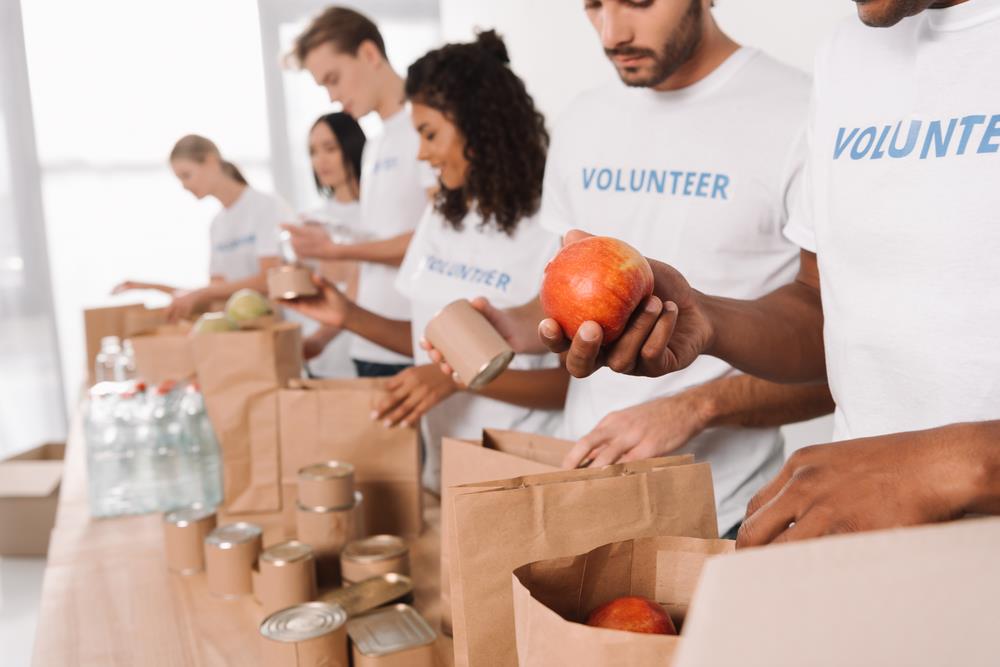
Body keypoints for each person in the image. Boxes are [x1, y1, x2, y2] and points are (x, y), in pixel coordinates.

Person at [535, 0, 1000, 545]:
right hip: (863, 548)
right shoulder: (848, 50)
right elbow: (817, 306)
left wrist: (943, 467)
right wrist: (706, 320)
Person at [423, 0, 833, 538]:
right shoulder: (583, 119)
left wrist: (696, 406)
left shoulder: (804, 112)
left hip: (727, 509)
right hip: (584, 489)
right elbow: (574, 295)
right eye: (594, 5)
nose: (612, 33)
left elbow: (840, 358)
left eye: (638, 2)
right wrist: (515, 326)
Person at [287, 31, 567, 490]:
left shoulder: (552, 227)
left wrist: (458, 378)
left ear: (480, 125)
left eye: (429, 133)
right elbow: (425, 343)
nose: (421, 153)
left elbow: (567, 387)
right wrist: (346, 315)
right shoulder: (442, 216)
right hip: (447, 470)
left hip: (523, 476)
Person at [283, 6, 436, 378]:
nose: (333, 97)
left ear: (369, 54)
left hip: (412, 342)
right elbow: (377, 245)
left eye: (334, 79)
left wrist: (335, 248)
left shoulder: (427, 131)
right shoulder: (375, 146)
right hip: (367, 342)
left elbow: (434, 243)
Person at [114, 134, 290, 320]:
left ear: (212, 162)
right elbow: (215, 293)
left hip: (276, 325)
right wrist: (151, 287)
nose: (184, 186)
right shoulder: (217, 225)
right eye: (179, 179)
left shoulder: (266, 207)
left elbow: (269, 280)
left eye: (186, 175)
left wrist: (200, 293)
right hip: (240, 331)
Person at [294, 112, 366, 378]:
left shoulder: (374, 217)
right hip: (316, 361)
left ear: (352, 146)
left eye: (330, 149)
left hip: (365, 354)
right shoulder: (309, 221)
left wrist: (320, 339)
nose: (320, 161)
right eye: (313, 152)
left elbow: (354, 296)